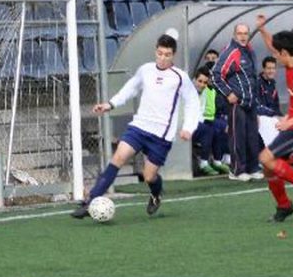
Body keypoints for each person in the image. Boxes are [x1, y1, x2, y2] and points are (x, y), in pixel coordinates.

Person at [72, 32, 200, 219]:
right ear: (155, 51)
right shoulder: (146, 70)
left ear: (173, 55)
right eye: (160, 53)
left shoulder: (180, 77)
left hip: (161, 135)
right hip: (139, 127)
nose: (162, 58)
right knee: (118, 158)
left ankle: (156, 194)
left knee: (149, 176)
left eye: (167, 55)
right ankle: (90, 200)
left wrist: (189, 127)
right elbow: (130, 88)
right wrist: (110, 104)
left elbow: (192, 102)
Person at [253, 15, 293, 222]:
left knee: (265, 158)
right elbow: (274, 47)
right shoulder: (292, 61)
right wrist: (263, 30)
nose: (275, 59)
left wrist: (289, 122)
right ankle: (284, 206)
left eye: (277, 55)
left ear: (284, 53)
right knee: (268, 166)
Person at [212, 23, 263, 181]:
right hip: (237, 103)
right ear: (234, 34)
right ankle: (236, 170)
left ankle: (252, 167)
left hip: (251, 102)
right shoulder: (230, 52)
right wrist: (228, 93)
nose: (243, 36)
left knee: (252, 136)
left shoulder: (250, 50)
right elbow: (215, 75)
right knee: (238, 137)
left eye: (245, 33)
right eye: (240, 33)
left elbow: (253, 78)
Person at [191, 66, 230, 176]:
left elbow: (201, 112)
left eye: (204, 82)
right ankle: (203, 162)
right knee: (209, 129)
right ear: (194, 79)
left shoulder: (205, 91)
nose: (202, 85)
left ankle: (218, 161)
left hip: (200, 121)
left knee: (216, 129)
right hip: (186, 125)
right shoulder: (188, 91)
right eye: (200, 81)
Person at [256, 56, 281, 147]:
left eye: (273, 68)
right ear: (263, 69)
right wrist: (274, 114)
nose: (271, 71)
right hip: (261, 118)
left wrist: (283, 117)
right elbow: (257, 107)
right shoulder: (257, 83)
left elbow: (276, 106)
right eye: (269, 68)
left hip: (271, 117)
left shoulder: (272, 84)